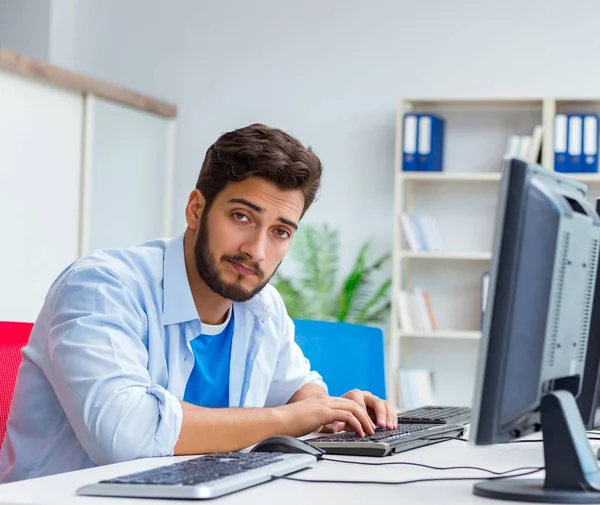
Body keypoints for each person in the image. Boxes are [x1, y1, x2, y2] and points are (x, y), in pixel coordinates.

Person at [0, 123, 396, 483]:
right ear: (196, 209)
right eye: (242, 216)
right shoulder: (102, 286)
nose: (256, 250)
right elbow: (124, 435)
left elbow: (295, 388)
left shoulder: (262, 306)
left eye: (279, 231)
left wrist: (334, 413)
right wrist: (289, 419)